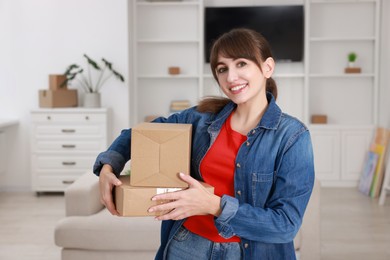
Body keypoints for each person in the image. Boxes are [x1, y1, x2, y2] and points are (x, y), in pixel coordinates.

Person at [93, 28, 315, 260]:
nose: (230, 77)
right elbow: (140, 134)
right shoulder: (200, 120)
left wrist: (215, 205)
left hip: (249, 253)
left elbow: (286, 225)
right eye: (222, 69)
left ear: (267, 67)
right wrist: (109, 166)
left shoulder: (293, 137)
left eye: (241, 64)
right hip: (187, 246)